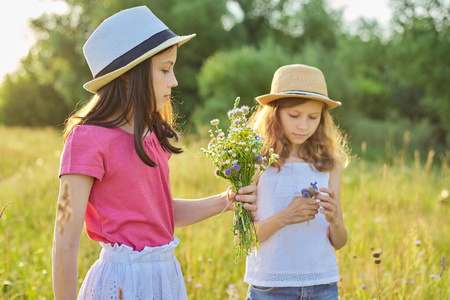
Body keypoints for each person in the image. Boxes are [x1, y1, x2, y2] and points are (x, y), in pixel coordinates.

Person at [52, 6, 257, 300]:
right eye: (164, 69)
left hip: (165, 276)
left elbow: (158, 213)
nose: (173, 81)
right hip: (122, 278)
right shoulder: (87, 139)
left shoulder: (152, 136)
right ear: (126, 77)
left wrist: (226, 200)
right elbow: (64, 242)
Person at [244, 64, 351, 300]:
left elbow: (340, 241)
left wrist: (335, 220)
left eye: (313, 117)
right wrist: (285, 217)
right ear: (275, 113)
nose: (303, 125)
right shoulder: (256, 162)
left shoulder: (328, 164)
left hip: (323, 286)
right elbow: (242, 239)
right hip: (270, 287)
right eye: (294, 115)